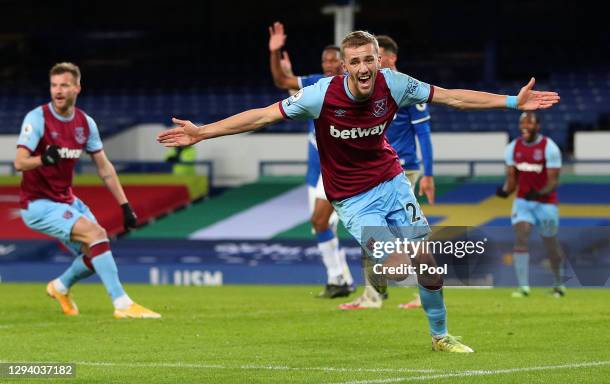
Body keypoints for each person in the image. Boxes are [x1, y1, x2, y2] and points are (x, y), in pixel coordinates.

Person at [158, 31, 559, 352]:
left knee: (429, 265)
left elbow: (453, 97)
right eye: (356, 62)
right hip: (351, 196)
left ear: (379, 60)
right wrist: (203, 132)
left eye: (371, 59)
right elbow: (261, 116)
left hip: (391, 180)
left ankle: (440, 337)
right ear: (345, 67)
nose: (365, 67)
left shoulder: (396, 84)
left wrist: (511, 101)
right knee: (397, 267)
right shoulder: (320, 95)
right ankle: (376, 267)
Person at [14, 62, 160, 319]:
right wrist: (43, 160)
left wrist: (125, 206)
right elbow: (19, 162)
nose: (58, 91)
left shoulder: (85, 123)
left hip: (66, 199)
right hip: (37, 204)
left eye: (64, 85)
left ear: (77, 88)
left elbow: (104, 168)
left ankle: (59, 287)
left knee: (97, 253)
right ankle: (123, 304)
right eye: (54, 85)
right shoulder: (37, 118)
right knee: (97, 234)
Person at [339, 35, 434, 310]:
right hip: (374, 173)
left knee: (409, 236)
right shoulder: (365, 90)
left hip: (404, 169)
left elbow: (424, 133)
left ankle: (421, 291)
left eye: (377, 59)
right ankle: (374, 295)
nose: (372, 66)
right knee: (373, 236)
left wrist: (429, 173)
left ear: (389, 58)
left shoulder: (404, 88)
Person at [269, 21, 354, 298]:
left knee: (324, 223)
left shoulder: (352, 88)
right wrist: (275, 52)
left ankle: (345, 281)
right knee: (323, 225)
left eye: (333, 60)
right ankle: (342, 280)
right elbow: (283, 82)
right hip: (315, 171)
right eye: (324, 60)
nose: (328, 64)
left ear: (344, 63)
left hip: (339, 168)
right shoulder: (316, 83)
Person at [496, 112, 566, 298]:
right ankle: (523, 287)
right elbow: (511, 181)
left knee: (550, 243)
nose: (525, 126)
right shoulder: (513, 148)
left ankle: (559, 284)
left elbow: (553, 182)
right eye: (522, 123)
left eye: (530, 123)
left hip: (546, 204)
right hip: (523, 203)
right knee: (521, 236)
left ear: (538, 126)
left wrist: (539, 193)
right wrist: (504, 191)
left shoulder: (549, 148)